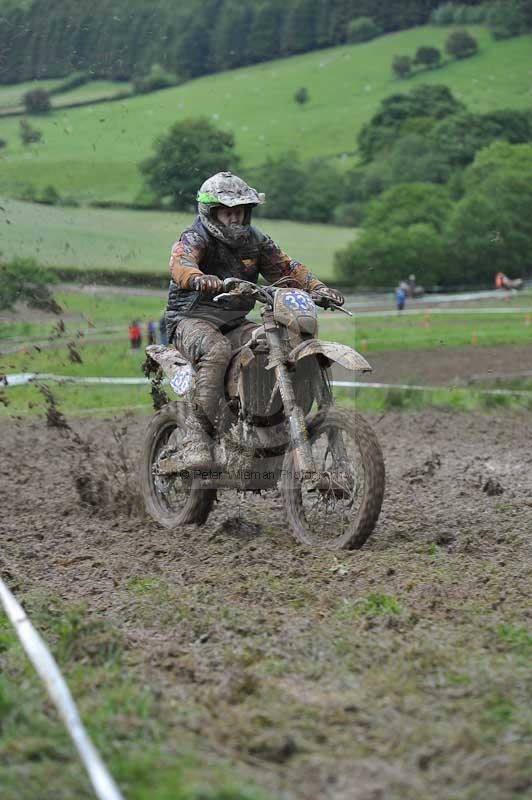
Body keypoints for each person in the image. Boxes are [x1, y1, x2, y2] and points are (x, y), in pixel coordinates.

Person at [165, 170, 345, 471]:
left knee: (271, 344)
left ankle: (260, 424)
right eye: (227, 212)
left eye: (240, 211)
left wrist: (318, 288)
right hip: (190, 320)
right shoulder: (195, 237)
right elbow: (181, 262)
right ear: (211, 212)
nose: (234, 218)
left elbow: (287, 267)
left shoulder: (256, 241)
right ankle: (196, 435)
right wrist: (199, 279)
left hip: (235, 321)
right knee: (217, 351)